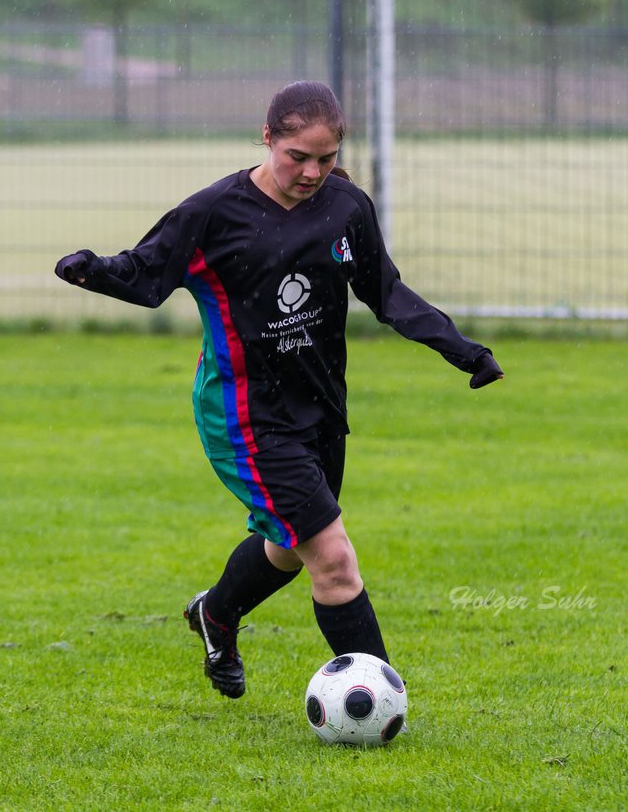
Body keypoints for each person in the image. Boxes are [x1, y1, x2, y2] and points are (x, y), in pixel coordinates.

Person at [55, 80, 502, 700]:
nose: (313, 171)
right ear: (267, 138)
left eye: (327, 158)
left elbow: (385, 290)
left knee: (288, 549)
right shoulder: (214, 213)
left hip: (319, 408)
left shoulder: (346, 207)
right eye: (298, 156)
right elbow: (147, 274)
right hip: (245, 413)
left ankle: (215, 612)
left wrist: (464, 352)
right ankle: (377, 699)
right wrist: (94, 271)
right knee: (334, 559)